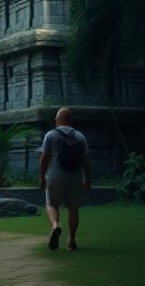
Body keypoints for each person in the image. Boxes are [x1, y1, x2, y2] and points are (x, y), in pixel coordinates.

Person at [39, 107, 91, 250]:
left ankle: (55, 226)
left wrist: (42, 177)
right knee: (73, 208)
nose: (55, 120)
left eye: (57, 117)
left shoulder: (50, 135)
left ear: (61, 119)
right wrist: (87, 178)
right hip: (75, 176)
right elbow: (86, 160)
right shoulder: (80, 136)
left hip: (55, 176)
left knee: (51, 205)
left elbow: (44, 159)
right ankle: (71, 240)